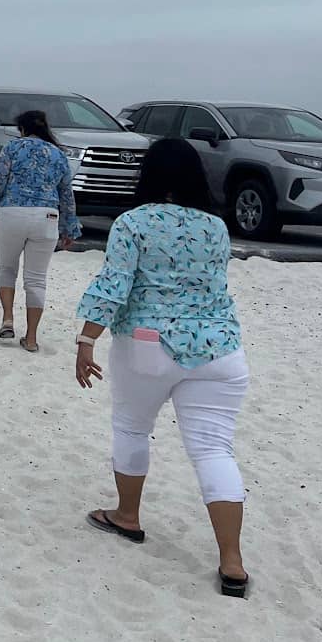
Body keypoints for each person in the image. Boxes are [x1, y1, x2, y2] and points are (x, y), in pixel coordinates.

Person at [73, 137, 251, 598]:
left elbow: (114, 284)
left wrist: (86, 338)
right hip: (218, 348)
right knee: (215, 451)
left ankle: (127, 516)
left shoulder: (133, 222)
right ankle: (232, 562)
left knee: (132, 428)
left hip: (148, 345)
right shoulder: (216, 226)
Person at [0, 109, 80, 351]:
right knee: (36, 279)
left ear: (21, 129)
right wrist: (70, 228)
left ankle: (7, 319)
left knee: (6, 268)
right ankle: (32, 338)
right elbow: (67, 194)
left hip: (11, 213)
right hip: (46, 216)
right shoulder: (59, 154)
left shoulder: (12, 148)